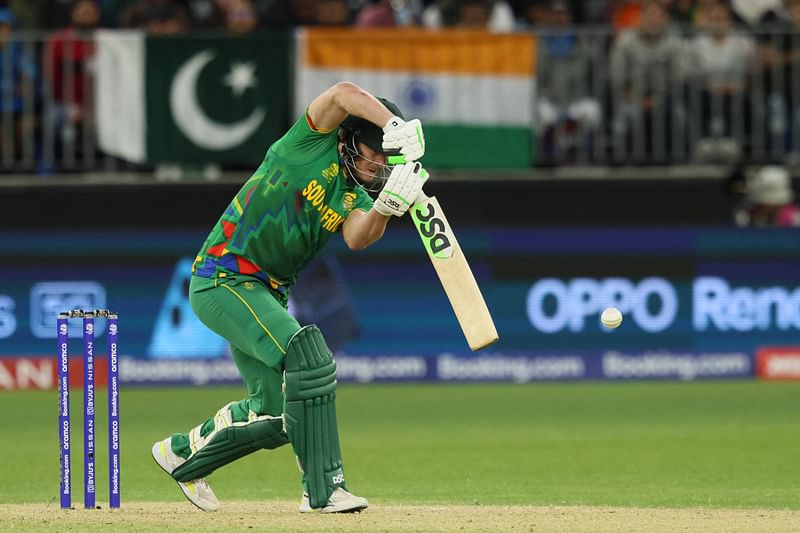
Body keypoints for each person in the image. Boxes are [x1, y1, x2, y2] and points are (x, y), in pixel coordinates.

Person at [150, 81, 427, 513]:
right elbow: (341, 93)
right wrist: (393, 123)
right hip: (224, 275)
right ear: (349, 140)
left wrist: (386, 208)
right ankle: (323, 490)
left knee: (277, 415)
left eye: (383, 160)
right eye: (372, 153)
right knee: (310, 357)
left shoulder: (353, 194)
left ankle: (183, 454)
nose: (376, 166)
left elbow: (358, 236)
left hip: (267, 294)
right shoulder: (309, 141)